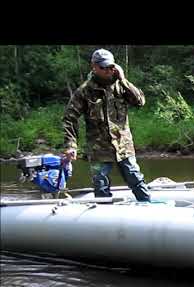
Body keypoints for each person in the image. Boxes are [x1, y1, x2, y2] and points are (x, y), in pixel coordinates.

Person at [63, 48, 151, 201]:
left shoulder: (121, 85)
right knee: (101, 184)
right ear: (94, 67)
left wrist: (123, 79)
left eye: (111, 67)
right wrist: (71, 145)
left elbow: (140, 102)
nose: (108, 71)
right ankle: (103, 216)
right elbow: (69, 118)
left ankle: (148, 206)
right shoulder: (84, 91)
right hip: (99, 150)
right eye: (103, 67)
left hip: (123, 146)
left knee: (135, 178)